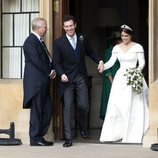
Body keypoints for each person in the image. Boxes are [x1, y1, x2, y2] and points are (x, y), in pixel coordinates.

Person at [53, 15, 102, 147]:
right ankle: (69, 137)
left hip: (80, 77)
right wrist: (61, 74)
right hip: (66, 80)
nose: (69, 28)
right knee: (68, 107)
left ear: (75, 25)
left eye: (71, 25)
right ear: (63, 27)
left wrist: (100, 61)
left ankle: (82, 125)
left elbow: (90, 52)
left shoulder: (82, 38)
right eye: (66, 26)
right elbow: (56, 62)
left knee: (84, 105)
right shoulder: (58, 42)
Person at [98, 24, 149, 143]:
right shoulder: (117, 48)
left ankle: (133, 134)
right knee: (118, 105)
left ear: (131, 35)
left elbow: (141, 63)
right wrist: (103, 66)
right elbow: (111, 62)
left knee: (133, 105)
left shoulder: (138, 47)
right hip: (120, 78)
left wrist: (135, 73)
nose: (124, 38)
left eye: (126, 36)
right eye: (122, 36)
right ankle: (117, 133)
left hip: (133, 77)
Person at [23, 17, 56, 146]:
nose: (47, 29)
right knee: (37, 111)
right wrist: (50, 72)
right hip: (36, 84)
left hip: (43, 83)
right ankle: (34, 138)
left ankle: (39, 136)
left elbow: (46, 59)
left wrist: (52, 69)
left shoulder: (39, 41)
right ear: (38, 28)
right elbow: (36, 61)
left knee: (47, 109)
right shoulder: (30, 41)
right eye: (45, 27)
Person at [99, 32, 121, 120]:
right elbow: (107, 70)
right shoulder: (109, 51)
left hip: (120, 77)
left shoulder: (121, 50)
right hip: (110, 80)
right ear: (115, 41)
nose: (121, 41)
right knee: (110, 101)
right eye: (119, 39)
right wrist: (113, 83)